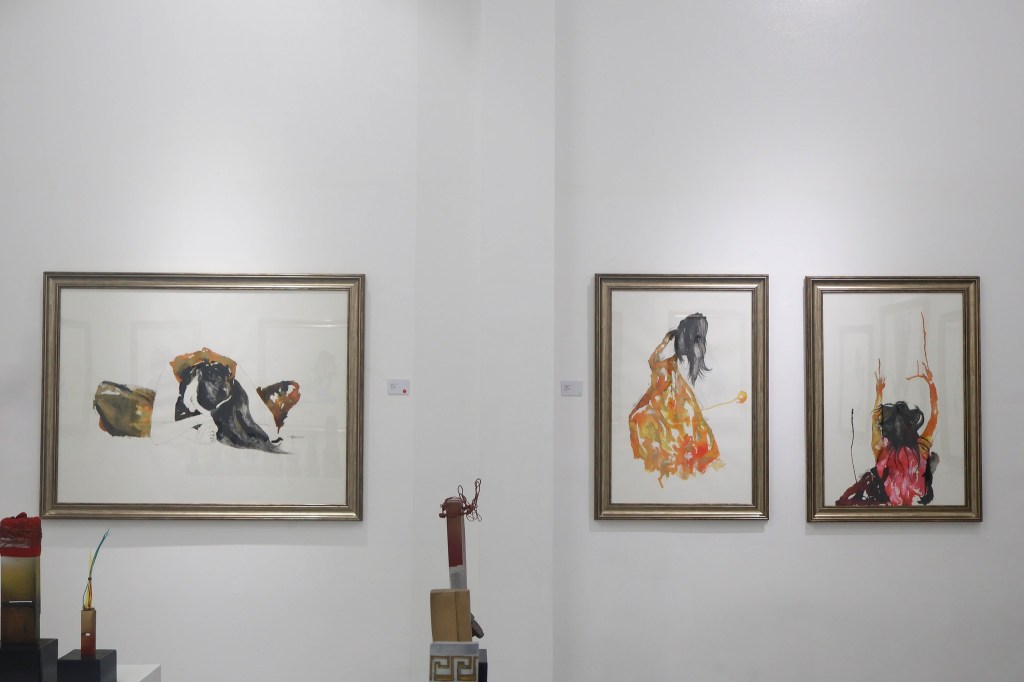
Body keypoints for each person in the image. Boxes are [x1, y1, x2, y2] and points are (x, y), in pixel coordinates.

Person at [628, 313, 723, 487]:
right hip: (667, 408)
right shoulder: (671, 364)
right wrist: (666, 341)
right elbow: (653, 364)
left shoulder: (684, 363)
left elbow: (654, 363)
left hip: (677, 408)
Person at [836, 356, 939, 506]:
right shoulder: (919, 448)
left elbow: (875, 420)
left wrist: (879, 393)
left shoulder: (883, 451)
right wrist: (931, 384)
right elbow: (934, 416)